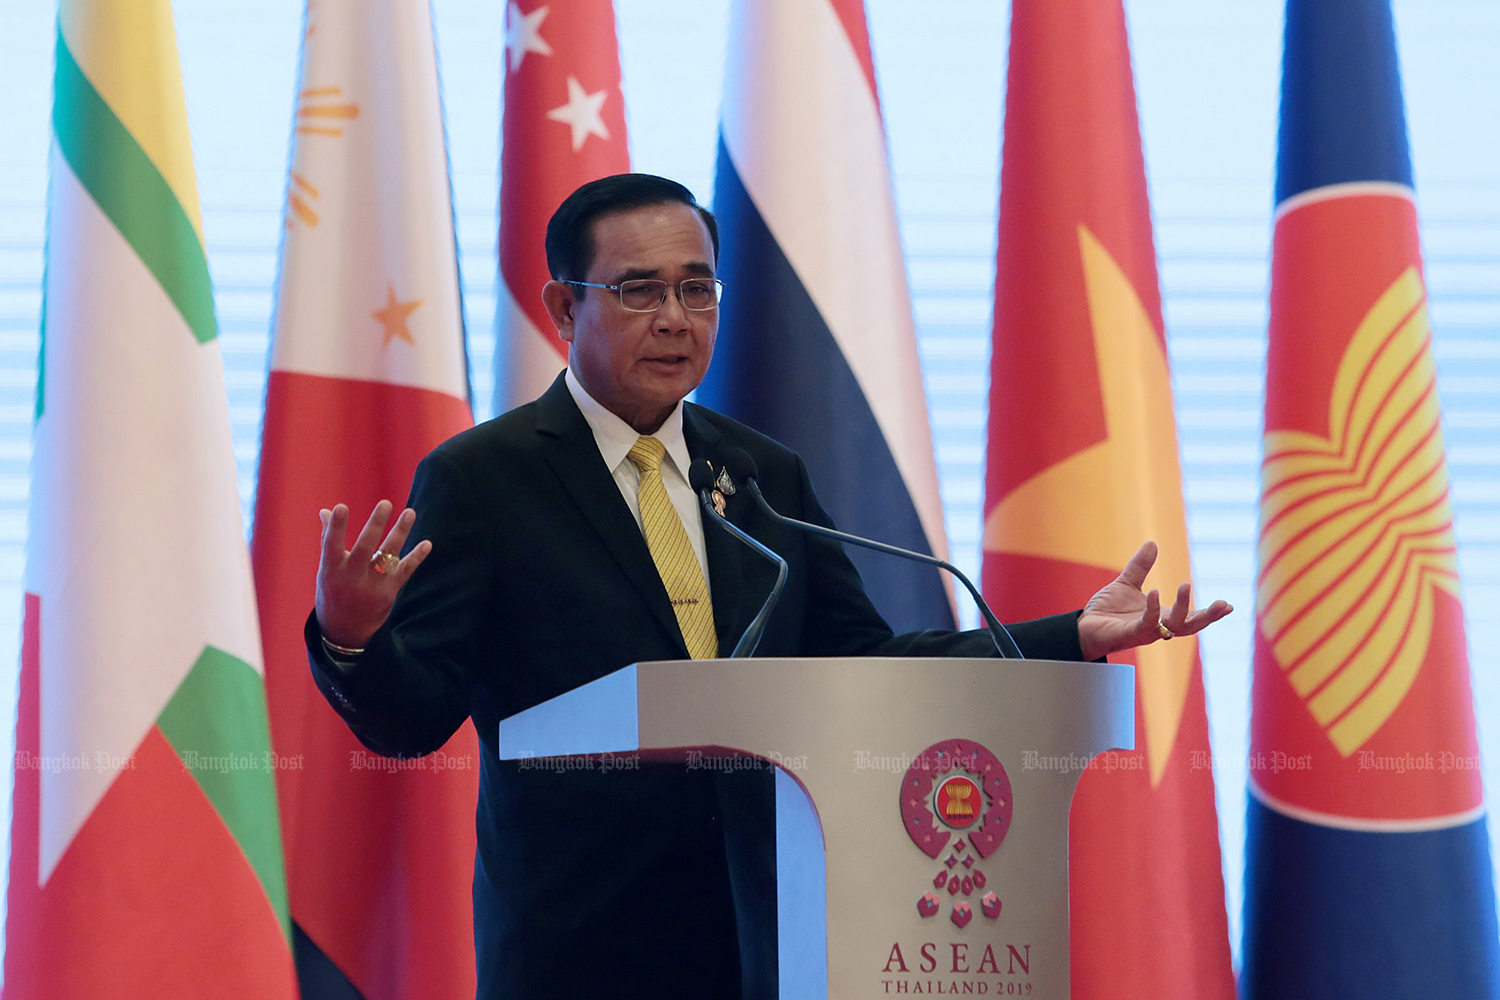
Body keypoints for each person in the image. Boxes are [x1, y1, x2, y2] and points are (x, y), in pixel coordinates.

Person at [307, 173, 1231, 998]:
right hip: (584, 945)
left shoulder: (756, 473)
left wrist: (1069, 635)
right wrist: (351, 636)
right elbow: (411, 720)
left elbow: (862, 660)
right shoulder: (485, 477)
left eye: (697, 287)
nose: (675, 317)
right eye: (638, 291)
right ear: (562, 305)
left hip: (778, 927)